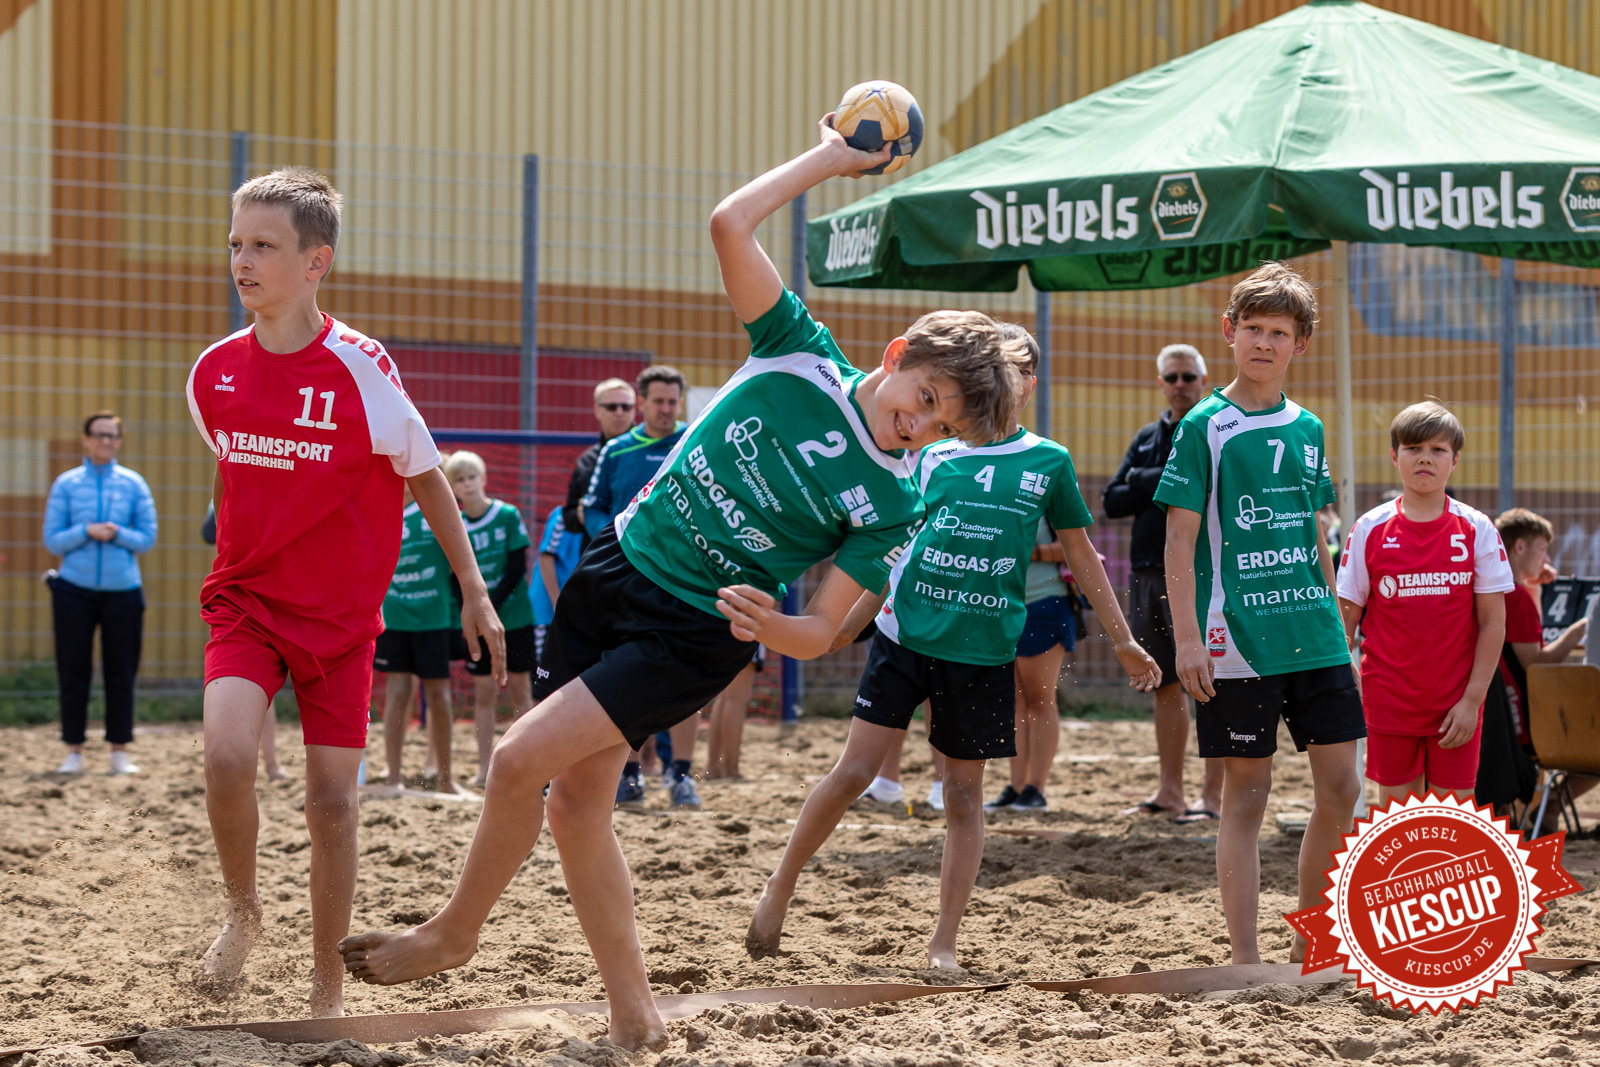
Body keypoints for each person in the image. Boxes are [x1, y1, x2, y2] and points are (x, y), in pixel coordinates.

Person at [337, 118, 1029, 1049]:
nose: (921, 428)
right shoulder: (797, 350)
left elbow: (824, 628)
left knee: (514, 761)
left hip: (694, 629)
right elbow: (728, 224)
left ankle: (455, 930)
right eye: (928, 401)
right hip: (614, 569)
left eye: (939, 429)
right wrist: (834, 157)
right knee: (578, 802)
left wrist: (775, 627)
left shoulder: (894, 497)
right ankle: (636, 1013)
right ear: (901, 351)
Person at [185, 166, 504, 1017]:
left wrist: (474, 588)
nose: (242, 261)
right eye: (235, 244)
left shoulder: (362, 367)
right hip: (246, 602)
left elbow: (428, 476)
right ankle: (242, 914)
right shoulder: (212, 372)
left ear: (315, 261)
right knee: (225, 756)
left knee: (331, 802)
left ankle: (328, 984)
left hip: (338, 622)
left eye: (263, 246)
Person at [746, 352, 1159, 968]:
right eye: (988, 370)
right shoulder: (931, 451)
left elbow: (1085, 554)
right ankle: (778, 888)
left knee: (963, 798)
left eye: (1010, 370)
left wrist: (1121, 637)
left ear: (1026, 385)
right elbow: (891, 549)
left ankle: (943, 943)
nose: (995, 382)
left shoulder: (1048, 461)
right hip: (903, 635)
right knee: (854, 773)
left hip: (982, 651)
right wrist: (842, 626)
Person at [1156, 261, 1364, 967]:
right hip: (1233, 638)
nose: (1264, 343)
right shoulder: (1203, 426)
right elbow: (1177, 537)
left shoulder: (1308, 428)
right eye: (1253, 328)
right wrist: (1187, 638)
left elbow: (1316, 528)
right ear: (1230, 332)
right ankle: (1245, 958)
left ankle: (1317, 940)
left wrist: (1341, 621)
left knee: (1343, 785)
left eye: (1279, 332)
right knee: (1247, 791)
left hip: (1314, 632)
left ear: (1300, 344)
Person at [1335, 402, 1511, 803]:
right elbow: (1344, 620)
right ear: (1395, 456)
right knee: (1398, 814)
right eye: (1414, 448)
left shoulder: (1477, 528)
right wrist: (1347, 671)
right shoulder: (1369, 528)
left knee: (1454, 817)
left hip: (1457, 704)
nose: (1426, 459)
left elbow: (1493, 624)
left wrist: (1472, 699)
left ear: (1455, 460)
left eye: (1438, 450)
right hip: (1389, 701)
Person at [1102, 343, 1224, 822]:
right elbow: (1112, 501)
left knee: (1210, 684)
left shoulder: (1215, 429)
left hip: (1201, 576)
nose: (1180, 385)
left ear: (1204, 380)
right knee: (1165, 685)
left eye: (1188, 377)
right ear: (1161, 383)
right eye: (1171, 377)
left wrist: (1143, 479)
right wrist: (1163, 479)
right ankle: (1170, 792)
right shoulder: (1149, 435)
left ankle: (1211, 797)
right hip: (1149, 574)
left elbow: (1211, 487)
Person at [581, 365, 700, 807]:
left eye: (673, 402)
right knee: (626, 676)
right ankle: (629, 774)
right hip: (628, 578)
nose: (667, 409)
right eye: (659, 401)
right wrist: (617, 539)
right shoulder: (615, 452)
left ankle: (682, 774)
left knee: (689, 677)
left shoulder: (696, 441)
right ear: (642, 402)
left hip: (687, 579)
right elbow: (590, 510)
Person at [43, 410, 158, 775]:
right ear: (86, 439)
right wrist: (86, 531)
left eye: (112, 435)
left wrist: (118, 533)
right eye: (99, 434)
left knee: (120, 673)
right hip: (73, 591)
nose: (105, 441)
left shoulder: (134, 484)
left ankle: (119, 751)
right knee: (73, 671)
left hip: (123, 591)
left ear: (119, 441)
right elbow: (52, 538)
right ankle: (73, 749)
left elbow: (147, 538)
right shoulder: (66, 484)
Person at [445, 450, 535, 784]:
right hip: (478, 624)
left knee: (521, 691)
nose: (467, 484)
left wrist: (488, 604)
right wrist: (473, 611)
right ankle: (485, 769)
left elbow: (516, 568)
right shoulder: (456, 526)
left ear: (483, 478)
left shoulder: (507, 515)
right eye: (459, 479)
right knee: (483, 693)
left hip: (515, 618)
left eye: (472, 477)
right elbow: (454, 577)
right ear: (453, 487)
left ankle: (527, 764)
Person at [981, 520, 1084, 813]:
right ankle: (1016, 787)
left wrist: (1025, 552)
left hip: (1045, 603)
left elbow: (1076, 547)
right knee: (1015, 701)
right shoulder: (996, 493)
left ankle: (1036, 789)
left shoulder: (1051, 488)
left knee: (1040, 699)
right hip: (1001, 605)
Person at [204, 500, 285, 781]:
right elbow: (207, 531)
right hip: (242, 596)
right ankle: (267, 764)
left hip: (283, 593)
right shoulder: (237, 468)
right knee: (249, 689)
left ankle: (272, 764)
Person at [562, 377, 637, 541]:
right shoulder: (587, 461)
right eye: (612, 407)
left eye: (626, 407)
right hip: (600, 552)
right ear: (597, 410)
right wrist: (582, 515)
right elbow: (569, 516)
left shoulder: (650, 452)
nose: (619, 412)